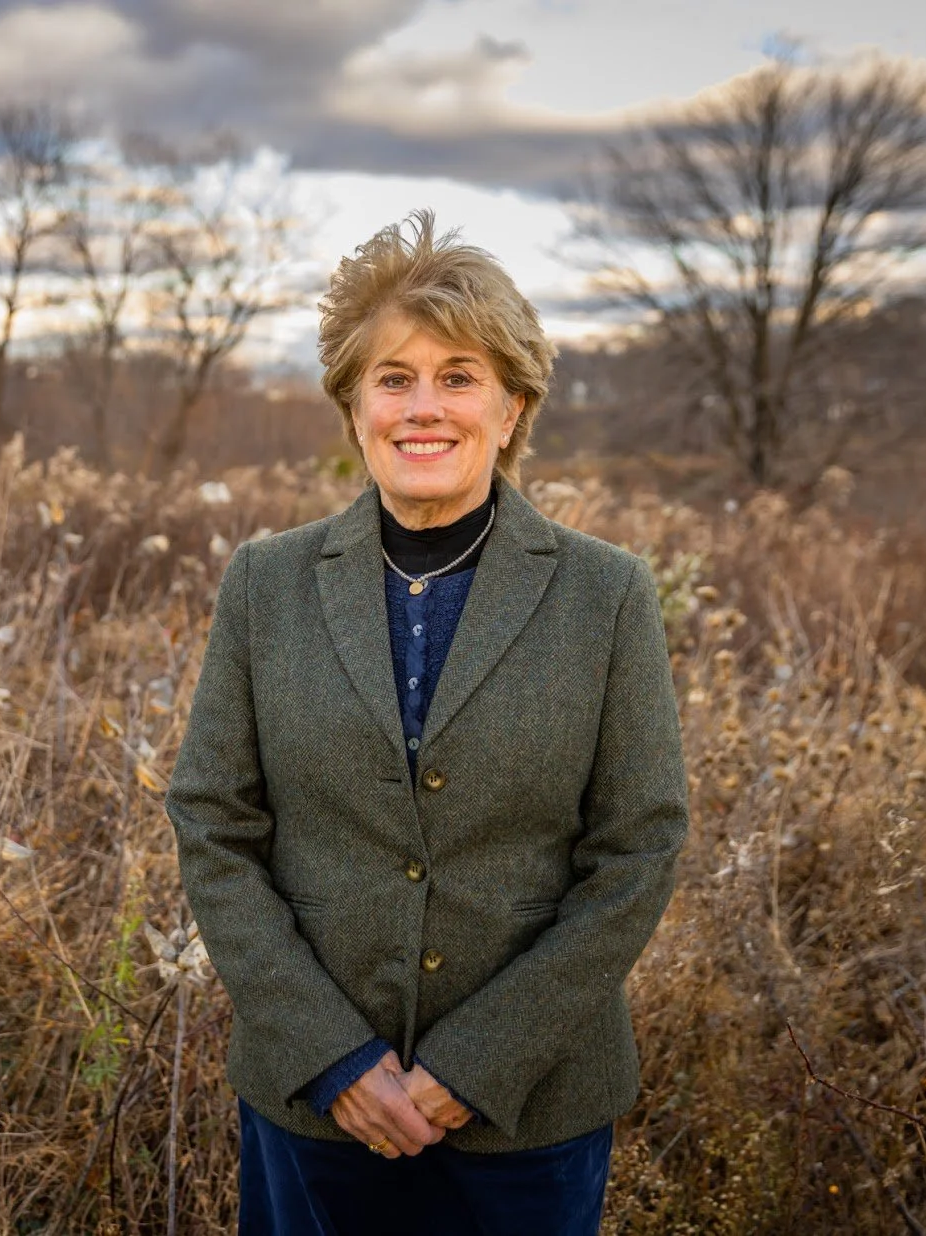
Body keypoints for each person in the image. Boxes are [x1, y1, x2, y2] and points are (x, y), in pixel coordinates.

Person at [164, 211, 690, 1235]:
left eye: (458, 376)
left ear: (511, 407)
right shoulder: (264, 586)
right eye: (392, 377)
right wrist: (333, 1056)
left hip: (527, 1123)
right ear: (351, 405)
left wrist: (472, 1064)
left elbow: (636, 851)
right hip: (315, 1113)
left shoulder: (605, 594)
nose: (423, 407)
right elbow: (212, 826)